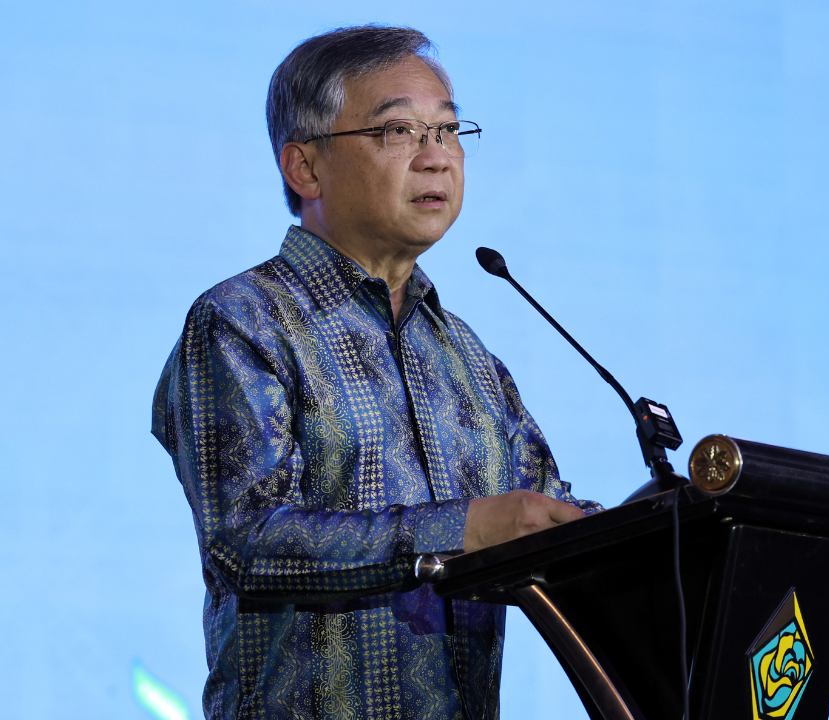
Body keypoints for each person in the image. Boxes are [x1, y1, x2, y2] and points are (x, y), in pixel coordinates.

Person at [152, 25, 599, 720]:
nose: (437, 160)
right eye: (399, 133)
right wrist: (464, 529)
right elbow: (248, 542)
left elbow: (544, 515)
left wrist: (672, 520)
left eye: (449, 133)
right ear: (305, 168)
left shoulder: (470, 358)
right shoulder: (242, 321)